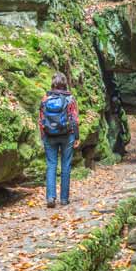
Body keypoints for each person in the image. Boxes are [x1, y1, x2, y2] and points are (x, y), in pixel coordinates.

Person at [39, 72, 80, 207]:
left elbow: (41, 119)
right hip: (67, 135)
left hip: (49, 135)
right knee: (66, 165)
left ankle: (50, 198)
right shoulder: (70, 99)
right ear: (65, 84)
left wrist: (43, 136)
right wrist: (76, 137)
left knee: (51, 165)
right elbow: (74, 119)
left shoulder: (45, 99)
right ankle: (64, 199)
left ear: (53, 83)